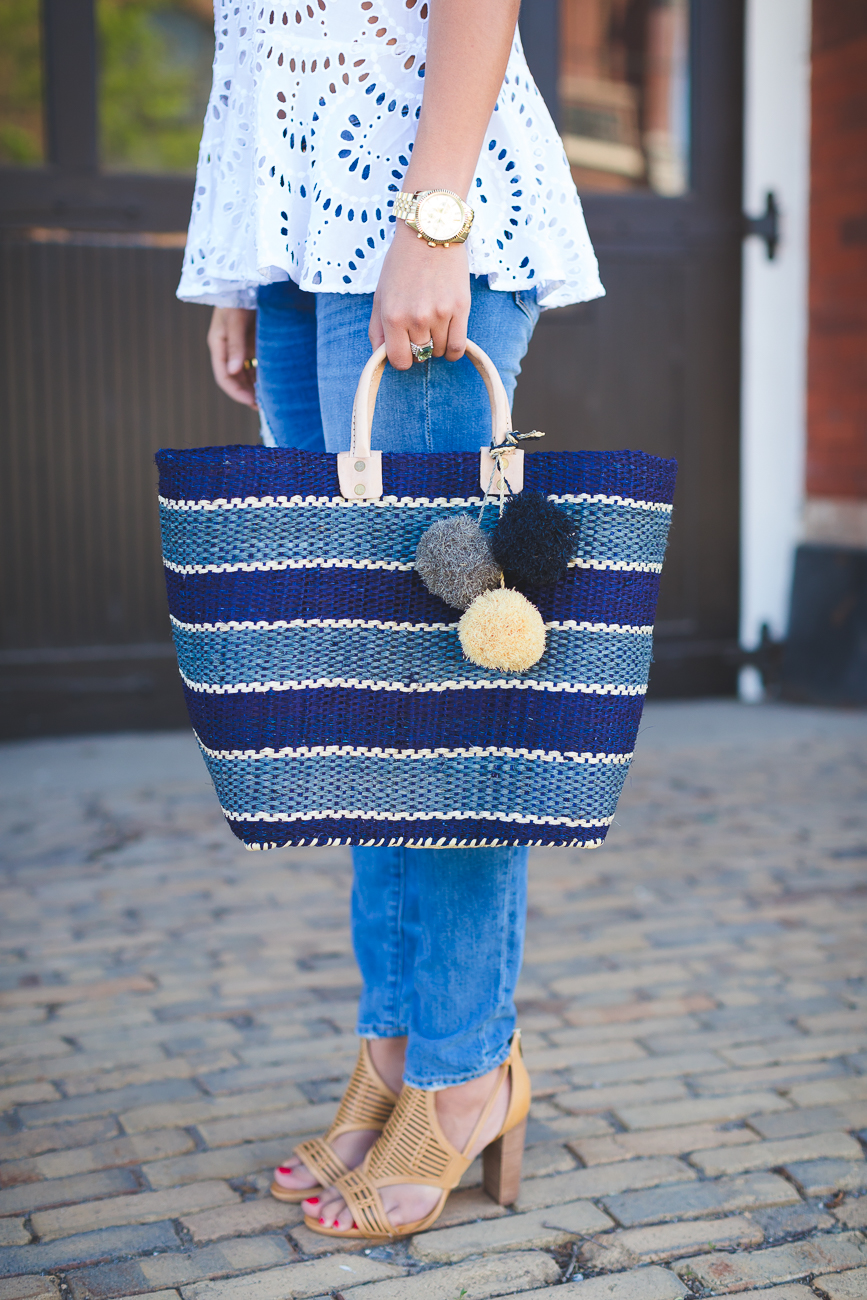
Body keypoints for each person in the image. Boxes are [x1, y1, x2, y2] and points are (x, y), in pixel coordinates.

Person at [178, 0, 603, 1240]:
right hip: (296, 243)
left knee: (444, 681)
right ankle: (398, 1044)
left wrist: (434, 218)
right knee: (369, 698)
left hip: (415, 208)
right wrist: (241, 266)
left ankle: (467, 1070)